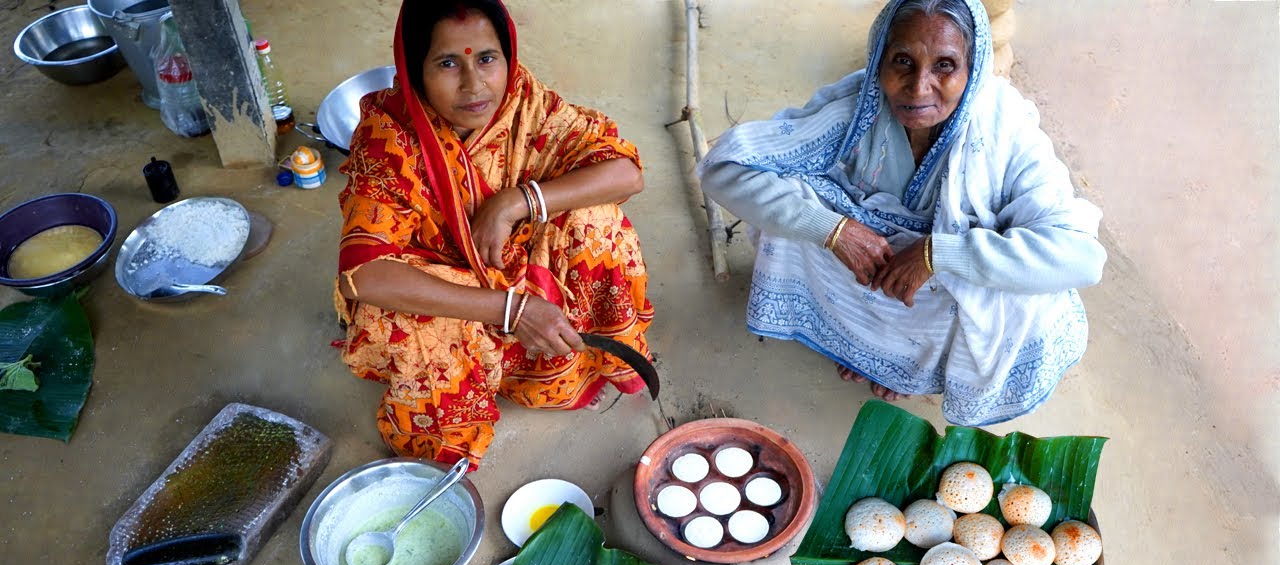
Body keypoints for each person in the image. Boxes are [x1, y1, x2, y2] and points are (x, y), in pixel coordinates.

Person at [698, 0, 1105, 426]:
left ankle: (917, 364)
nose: (918, 88)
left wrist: (938, 255)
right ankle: (864, 346)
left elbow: (1080, 256)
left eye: (945, 65)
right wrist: (833, 231)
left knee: (1013, 283)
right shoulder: (857, 110)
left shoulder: (1006, 131)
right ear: (879, 61)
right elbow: (723, 168)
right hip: (870, 280)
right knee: (794, 203)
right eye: (903, 61)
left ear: (973, 67)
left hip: (935, 298)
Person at [335, 0, 653, 467]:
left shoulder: (524, 103)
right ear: (415, 69)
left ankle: (555, 371)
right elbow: (364, 275)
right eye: (447, 63)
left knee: (596, 223)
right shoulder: (389, 138)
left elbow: (625, 173)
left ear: (507, 56)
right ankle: (451, 424)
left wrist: (518, 201)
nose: (474, 84)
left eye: (486, 58)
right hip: (442, 285)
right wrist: (512, 308)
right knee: (408, 323)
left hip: (510, 254)